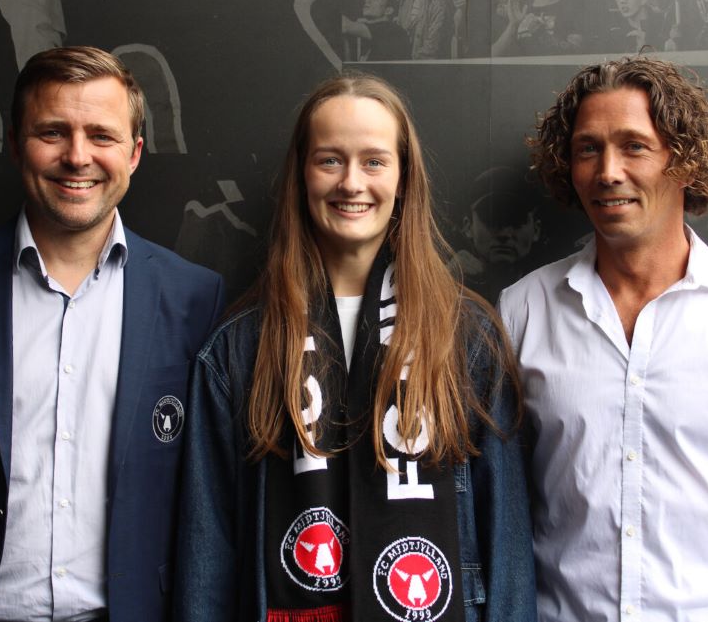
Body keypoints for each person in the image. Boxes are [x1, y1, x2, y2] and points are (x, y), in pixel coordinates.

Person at [0, 46, 225, 622]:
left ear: (134, 153)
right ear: (15, 144)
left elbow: (201, 487)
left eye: (102, 136)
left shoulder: (195, 298)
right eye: (52, 132)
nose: (77, 157)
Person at [175, 72, 535, 621]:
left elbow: (504, 536)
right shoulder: (239, 347)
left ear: (403, 178)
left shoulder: (465, 336)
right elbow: (208, 551)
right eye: (329, 160)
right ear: (301, 175)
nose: (351, 183)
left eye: (373, 161)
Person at [499, 57, 708, 621]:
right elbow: (500, 505)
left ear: (686, 160)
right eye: (588, 149)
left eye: (634, 146)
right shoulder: (523, 311)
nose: (607, 171)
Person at [452, 167, 543, 306]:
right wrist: (441, 281)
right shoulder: (449, 281)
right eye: (491, 220)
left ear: (535, 230)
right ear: (468, 226)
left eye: (516, 221)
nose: (503, 234)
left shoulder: (548, 289)